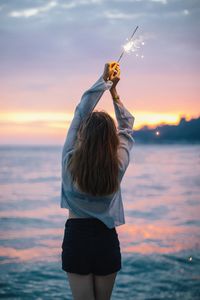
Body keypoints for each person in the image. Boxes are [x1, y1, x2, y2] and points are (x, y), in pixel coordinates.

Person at [61, 62, 135, 300]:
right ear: (110, 142)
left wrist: (104, 83)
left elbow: (80, 112)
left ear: (82, 135)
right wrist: (114, 93)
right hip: (105, 238)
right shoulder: (117, 167)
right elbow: (126, 127)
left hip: (77, 238)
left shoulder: (68, 162)